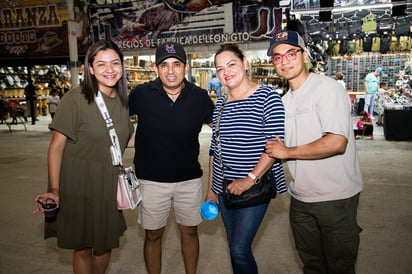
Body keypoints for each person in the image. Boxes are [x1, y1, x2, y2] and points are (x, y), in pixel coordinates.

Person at [265, 30, 363, 274]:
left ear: (305, 55)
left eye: (290, 53)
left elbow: (336, 142)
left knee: (340, 266)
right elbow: (272, 146)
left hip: (335, 197)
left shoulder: (327, 89)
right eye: (277, 57)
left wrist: (287, 152)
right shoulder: (283, 102)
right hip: (301, 198)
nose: (284, 60)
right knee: (312, 265)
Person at [33, 40, 134, 274]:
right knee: (83, 248)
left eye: (115, 63)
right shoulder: (75, 99)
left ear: (122, 67)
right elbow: (56, 147)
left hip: (107, 183)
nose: (109, 69)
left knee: (104, 245)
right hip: (78, 183)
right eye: (101, 64)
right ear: (89, 68)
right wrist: (55, 190)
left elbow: (123, 139)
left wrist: (165, 134)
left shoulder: (122, 101)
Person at [128, 42, 214, 274]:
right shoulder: (141, 94)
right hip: (151, 180)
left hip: (189, 179)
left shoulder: (200, 96)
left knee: (190, 231)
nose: (171, 70)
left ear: (186, 67)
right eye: (164, 65)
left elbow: (222, 131)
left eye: (176, 64)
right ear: (156, 69)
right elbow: (114, 121)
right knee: (153, 235)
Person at [205, 43, 287, 274]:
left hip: (255, 185)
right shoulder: (220, 103)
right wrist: (212, 189)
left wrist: (249, 179)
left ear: (245, 63)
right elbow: (215, 148)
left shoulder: (267, 97)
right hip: (225, 187)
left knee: (240, 249)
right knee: (234, 247)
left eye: (231, 64)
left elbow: (274, 146)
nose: (226, 72)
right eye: (219, 69)